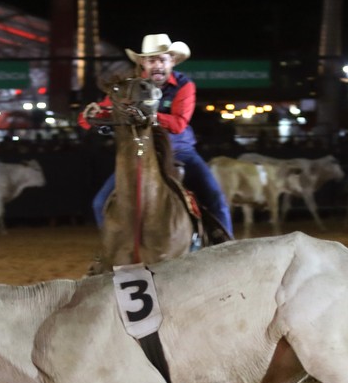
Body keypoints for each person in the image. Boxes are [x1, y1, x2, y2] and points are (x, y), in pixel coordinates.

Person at [79, 33, 233, 238]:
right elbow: (93, 115)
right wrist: (92, 116)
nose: (157, 65)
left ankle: (225, 245)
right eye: (152, 60)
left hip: (180, 152)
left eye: (162, 59)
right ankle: (113, 249)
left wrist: (147, 114)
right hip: (140, 153)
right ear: (143, 62)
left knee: (215, 198)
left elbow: (178, 124)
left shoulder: (184, 85)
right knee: (100, 203)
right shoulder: (129, 88)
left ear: (172, 61)